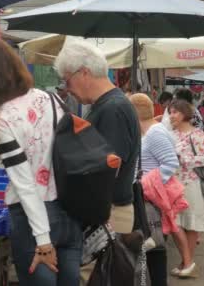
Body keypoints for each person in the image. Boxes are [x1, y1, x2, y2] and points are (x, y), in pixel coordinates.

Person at [0, 39, 82, 286]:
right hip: (70, 213)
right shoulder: (51, 100)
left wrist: (43, 241)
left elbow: (26, 184)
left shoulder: (3, 120)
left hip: (35, 221)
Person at [54, 40, 140, 285]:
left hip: (109, 215)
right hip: (105, 213)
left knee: (96, 278)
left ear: (84, 72)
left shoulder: (113, 109)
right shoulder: (108, 105)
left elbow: (106, 169)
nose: (66, 88)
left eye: (66, 80)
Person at [130, 93, 190, 286]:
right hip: (150, 199)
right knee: (153, 250)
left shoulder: (155, 133)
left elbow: (171, 163)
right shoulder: (150, 131)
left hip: (151, 201)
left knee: (154, 250)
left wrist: (144, 184)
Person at [169, 99, 204, 279]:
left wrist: (184, 158)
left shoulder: (196, 134)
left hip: (191, 183)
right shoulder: (170, 134)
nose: (171, 116)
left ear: (185, 114)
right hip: (172, 184)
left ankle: (186, 262)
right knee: (174, 223)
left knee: (191, 224)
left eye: (175, 112)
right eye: (170, 112)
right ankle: (186, 262)